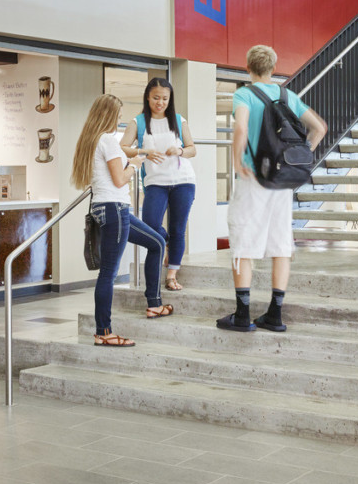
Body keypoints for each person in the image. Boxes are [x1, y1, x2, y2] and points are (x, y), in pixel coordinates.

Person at [218, 45, 326, 335]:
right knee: (280, 244)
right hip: (282, 181)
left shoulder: (244, 94)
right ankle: (275, 314)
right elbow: (320, 128)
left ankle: (243, 315)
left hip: (254, 179)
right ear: (274, 67)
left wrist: (238, 160)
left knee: (243, 242)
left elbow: (240, 128)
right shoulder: (289, 96)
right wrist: (299, 158)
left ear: (248, 66)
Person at [72, 93, 173, 347]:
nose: (118, 121)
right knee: (108, 273)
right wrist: (136, 164)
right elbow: (119, 179)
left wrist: (137, 155)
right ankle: (103, 332)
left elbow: (108, 171)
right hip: (115, 209)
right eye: (116, 116)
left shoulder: (92, 139)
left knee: (157, 242)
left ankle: (154, 304)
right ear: (107, 116)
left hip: (110, 208)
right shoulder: (107, 140)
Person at [121, 77, 196, 291]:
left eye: (165, 98)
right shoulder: (139, 122)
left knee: (178, 228)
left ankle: (172, 275)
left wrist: (180, 151)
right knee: (151, 222)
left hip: (183, 180)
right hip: (155, 182)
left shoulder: (179, 121)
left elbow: (192, 149)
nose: (160, 102)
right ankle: (168, 243)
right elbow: (123, 147)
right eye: (156, 98)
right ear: (147, 97)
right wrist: (144, 151)